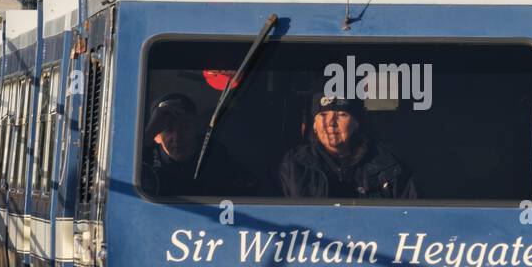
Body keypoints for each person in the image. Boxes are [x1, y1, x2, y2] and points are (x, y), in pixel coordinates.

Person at [279, 94, 416, 199]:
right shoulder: (294, 164)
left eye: (341, 115)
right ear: (314, 125)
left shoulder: (387, 165)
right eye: (323, 115)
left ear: (356, 124)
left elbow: (411, 219)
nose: (331, 123)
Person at [141, 91, 254, 196]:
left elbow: (247, 186)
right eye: (168, 128)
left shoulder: (214, 153)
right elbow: (125, 174)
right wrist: (148, 134)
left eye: (185, 126)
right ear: (156, 136)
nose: (177, 137)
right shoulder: (144, 157)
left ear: (196, 127)